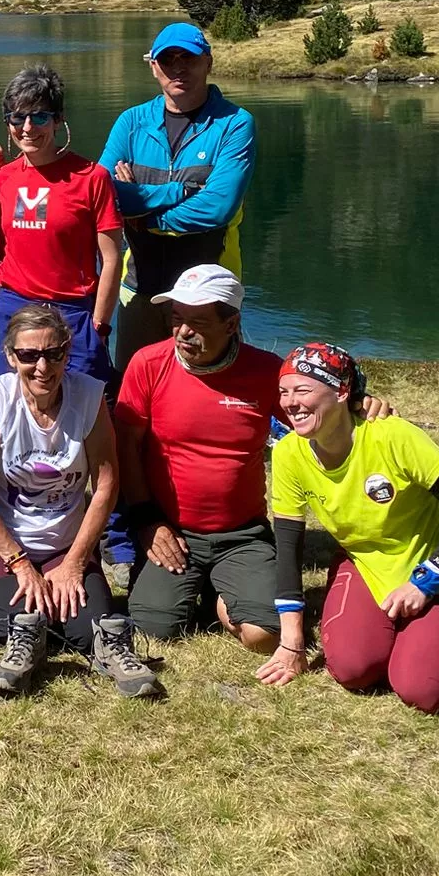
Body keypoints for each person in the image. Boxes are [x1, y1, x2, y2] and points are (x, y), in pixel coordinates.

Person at [260, 343, 439, 714]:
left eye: (303, 390)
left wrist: (424, 583)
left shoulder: (391, 435)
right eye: (283, 392)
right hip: (367, 567)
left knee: (424, 692)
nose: (290, 403)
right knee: (353, 670)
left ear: (340, 392)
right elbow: (289, 548)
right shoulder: (289, 453)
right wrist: (291, 642)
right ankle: (421, 635)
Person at [0, 304, 159, 700]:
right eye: (29, 355)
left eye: (53, 354)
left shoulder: (88, 396)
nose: (42, 367)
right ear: (11, 356)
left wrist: (72, 563)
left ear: (68, 353)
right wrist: (19, 565)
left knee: (89, 627)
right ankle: (25, 641)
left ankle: (108, 649)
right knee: (17, 619)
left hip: (64, 545)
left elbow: (106, 484)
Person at [113, 264, 287, 654]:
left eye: (198, 322)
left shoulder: (267, 370)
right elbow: (126, 445)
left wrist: (360, 399)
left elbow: (319, 416)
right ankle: (210, 584)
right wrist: (146, 521)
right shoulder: (147, 364)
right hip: (172, 531)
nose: (183, 332)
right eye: (177, 318)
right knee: (153, 627)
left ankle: (222, 593)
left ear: (231, 324)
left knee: (263, 637)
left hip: (242, 534)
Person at [99, 23, 256, 371]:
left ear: (208, 63)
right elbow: (102, 194)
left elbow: (217, 207)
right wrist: (178, 192)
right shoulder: (131, 122)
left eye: (189, 58)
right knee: (134, 391)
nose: (179, 68)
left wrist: (142, 213)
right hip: (140, 286)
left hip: (210, 290)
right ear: (154, 67)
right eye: (168, 60)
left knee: (205, 390)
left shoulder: (235, 124)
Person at [0, 66, 123, 385]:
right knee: (14, 407)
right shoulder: (3, 176)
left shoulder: (92, 179)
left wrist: (100, 326)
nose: (27, 128)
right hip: (13, 308)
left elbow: (112, 259)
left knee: (81, 409)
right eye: (17, 118)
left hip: (71, 313)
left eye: (39, 117)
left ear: (58, 119)